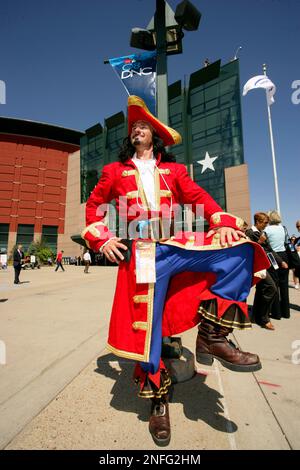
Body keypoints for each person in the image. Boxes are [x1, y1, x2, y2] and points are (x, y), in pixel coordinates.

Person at [82, 95, 269, 446]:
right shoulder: (114, 171)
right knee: (149, 336)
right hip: (142, 254)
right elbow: (94, 208)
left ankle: (212, 337)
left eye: (143, 126)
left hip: (174, 245)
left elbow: (198, 196)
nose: (137, 129)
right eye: (133, 127)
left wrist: (222, 220)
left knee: (240, 252)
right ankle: (158, 402)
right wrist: (101, 238)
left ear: (155, 136)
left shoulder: (174, 171)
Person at [246, 212, 287, 330]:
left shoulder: (262, 233)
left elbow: (269, 249)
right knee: (271, 288)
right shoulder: (249, 233)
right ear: (258, 222)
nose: (266, 225)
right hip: (257, 266)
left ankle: (256, 316)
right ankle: (263, 318)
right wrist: (259, 242)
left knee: (262, 290)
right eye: (264, 223)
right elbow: (250, 250)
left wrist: (280, 261)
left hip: (267, 264)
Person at [264, 211, 290, 319]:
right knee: (284, 286)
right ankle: (286, 312)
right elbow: (286, 241)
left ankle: (276, 313)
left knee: (274, 285)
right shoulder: (283, 228)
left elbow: (265, 244)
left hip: (272, 256)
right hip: (284, 256)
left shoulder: (266, 230)